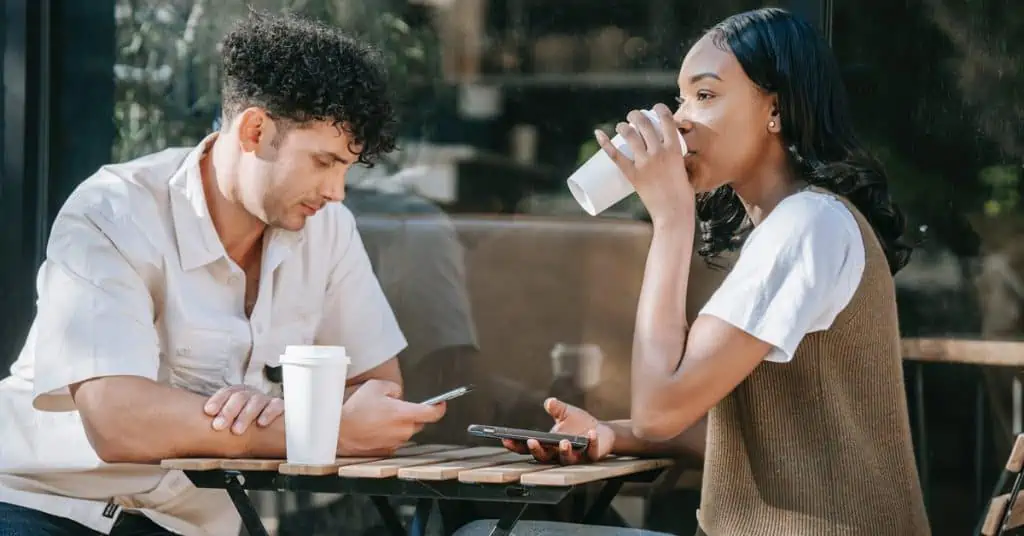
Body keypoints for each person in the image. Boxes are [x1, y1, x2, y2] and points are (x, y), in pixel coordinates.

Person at [0, 10, 446, 536]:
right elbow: (117, 421)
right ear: (255, 130)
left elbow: (378, 394)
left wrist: (289, 415)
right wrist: (311, 428)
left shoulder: (330, 231)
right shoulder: (113, 210)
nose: (337, 191)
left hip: (190, 525)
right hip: (45, 504)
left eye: (347, 169)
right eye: (324, 162)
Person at [501, 7, 930, 536]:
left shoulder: (806, 225)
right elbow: (750, 437)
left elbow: (660, 409)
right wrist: (613, 435)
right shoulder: (798, 224)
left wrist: (672, 219)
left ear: (776, 108)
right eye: (681, 97)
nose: (679, 118)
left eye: (704, 96)